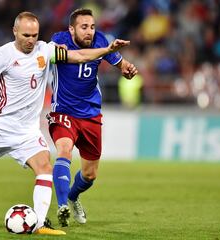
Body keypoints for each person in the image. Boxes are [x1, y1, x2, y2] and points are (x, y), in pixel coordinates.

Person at [0, 11, 130, 235]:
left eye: (34, 35)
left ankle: (40, 223)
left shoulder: (46, 50)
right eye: (26, 35)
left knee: (44, 167)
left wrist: (108, 50)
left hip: (26, 131)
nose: (30, 40)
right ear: (15, 32)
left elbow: (80, 56)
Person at [47, 8, 138, 227]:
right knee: (64, 151)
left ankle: (72, 196)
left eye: (92, 26)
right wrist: (105, 50)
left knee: (89, 175)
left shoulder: (101, 40)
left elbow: (121, 64)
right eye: (84, 27)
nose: (89, 31)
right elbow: (61, 53)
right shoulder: (59, 40)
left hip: (90, 114)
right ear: (72, 29)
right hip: (63, 111)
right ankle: (62, 206)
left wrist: (127, 69)